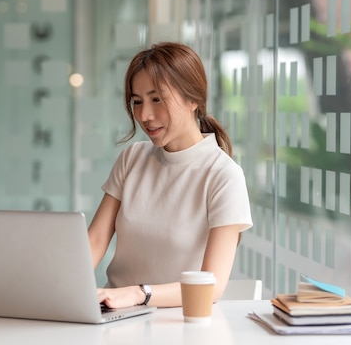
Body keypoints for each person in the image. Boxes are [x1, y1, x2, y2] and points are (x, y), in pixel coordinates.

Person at [87, 42, 253, 309]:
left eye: (157, 99)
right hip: (110, 316)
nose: (144, 115)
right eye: (137, 101)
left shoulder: (223, 175)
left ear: (193, 99)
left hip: (175, 323)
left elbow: (211, 285)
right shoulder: (132, 158)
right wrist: (61, 286)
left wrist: (139, 293)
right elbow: (95, 241)